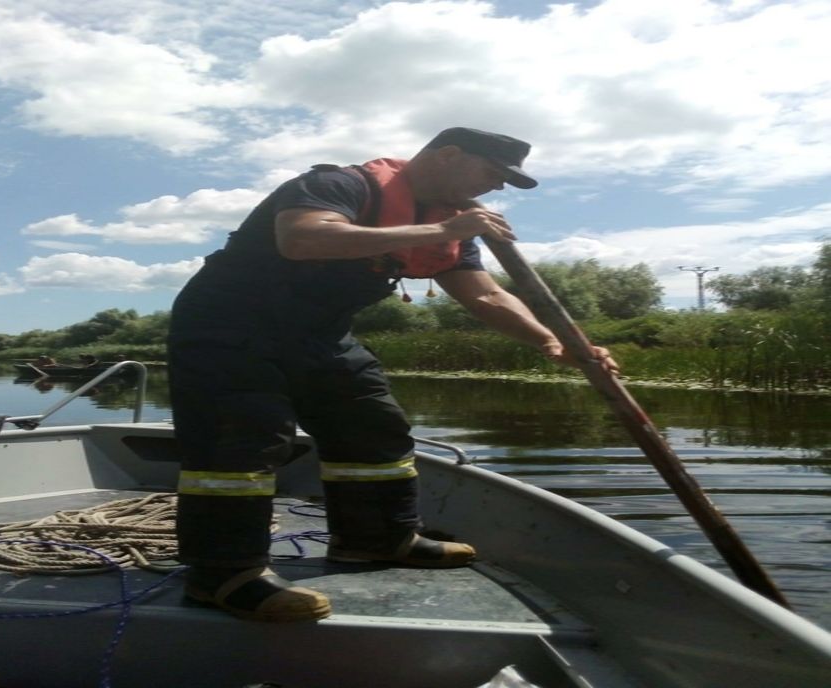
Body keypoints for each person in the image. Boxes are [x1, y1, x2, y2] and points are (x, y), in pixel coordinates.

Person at [167, 126, 618, 623]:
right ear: (448, 155)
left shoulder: (450, 223)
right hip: (228, 325)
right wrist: (442, 232)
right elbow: (302, 239)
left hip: (319, 334)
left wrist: (550, 342)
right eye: (492, 173)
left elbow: (486, 295)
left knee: (372, 425)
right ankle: (225, 574)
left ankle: (376, 541)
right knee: (243, 439)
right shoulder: (341, 185)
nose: (496, 188)